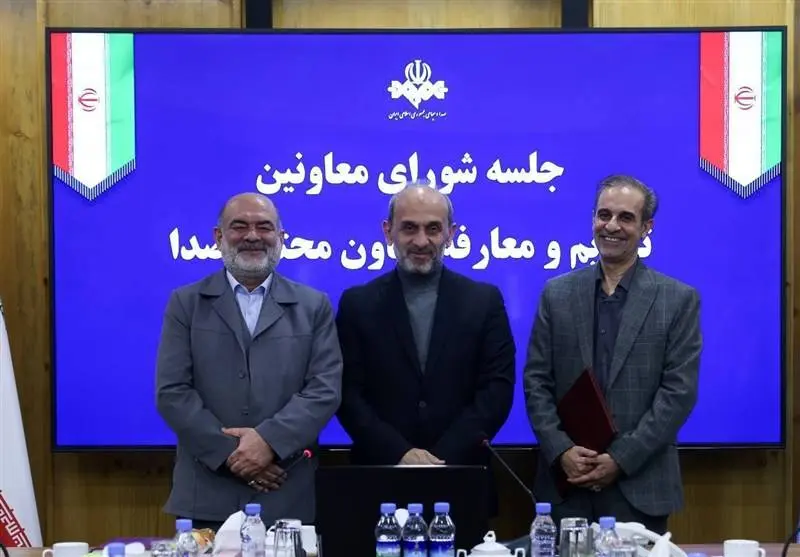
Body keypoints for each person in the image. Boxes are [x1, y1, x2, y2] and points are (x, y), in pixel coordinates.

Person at [523, 175, 701, 534]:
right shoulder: (556, 294)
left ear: (646, 228)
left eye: (626, 218)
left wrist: (621, 458)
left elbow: (678, 394)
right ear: (593, 219)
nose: (612, 226)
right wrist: (562, 450)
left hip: (639, 488)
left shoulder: (678, 300)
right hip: (566, 486)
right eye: (604, 215)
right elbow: (536, 382)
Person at [155, 192, 343, 531]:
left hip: (287, 492)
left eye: (264, 227)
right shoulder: (186, 303)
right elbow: (172, 393)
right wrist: (234, 454)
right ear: (218, 237)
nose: (252, 236)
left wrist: (268, 443)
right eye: (239, 226)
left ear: (281, 237)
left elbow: (324, 391)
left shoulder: (314, 306)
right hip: (206, 495)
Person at [335, 182, 516, 513]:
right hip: (378, 479)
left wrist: (438, 458)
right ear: (388, 231)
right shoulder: (357, 304)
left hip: (462, 478)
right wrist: (400, 453)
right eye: (409, 228)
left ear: (451, 233)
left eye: (433, 229)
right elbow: (348, 395)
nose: (421, 241)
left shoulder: (484, 301)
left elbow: (496, 393)